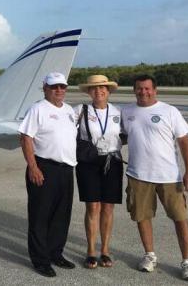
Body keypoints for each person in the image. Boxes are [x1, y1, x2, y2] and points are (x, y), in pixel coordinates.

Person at [123, 74, 188, 281]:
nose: (143, 92)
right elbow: (121, 136)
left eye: (147, 88)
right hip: (138, 175)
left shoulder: (169, 111)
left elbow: (184, 142)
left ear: (155, 90)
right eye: (139, 88)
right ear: (134, 90)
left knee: (180, 218)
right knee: (142, 216)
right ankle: (149, 255)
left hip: (169, 176)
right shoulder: (127, 111)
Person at [18, 72, 77, 278]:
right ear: (45, 88)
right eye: (54, 87)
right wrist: (33, 167)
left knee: (61, 216)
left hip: (67, 169)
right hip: (44, 168)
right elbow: (26, 138)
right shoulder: (38, 109)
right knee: (40, 217)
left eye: (62, 87)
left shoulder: (69, 111)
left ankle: (55, 253)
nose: (59, 90)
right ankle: (40, 260)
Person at [74, 75, 124, 269]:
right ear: (88, 92)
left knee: (108, 207)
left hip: (113, 160)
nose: (99, 91)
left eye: (102, 88)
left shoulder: (118, 112)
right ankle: (90, 251)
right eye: (94, 88)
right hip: (89, 161)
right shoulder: (80, 110)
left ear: (108, 90)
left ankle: (105, 250)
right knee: (92, 206)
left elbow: (127, 134)